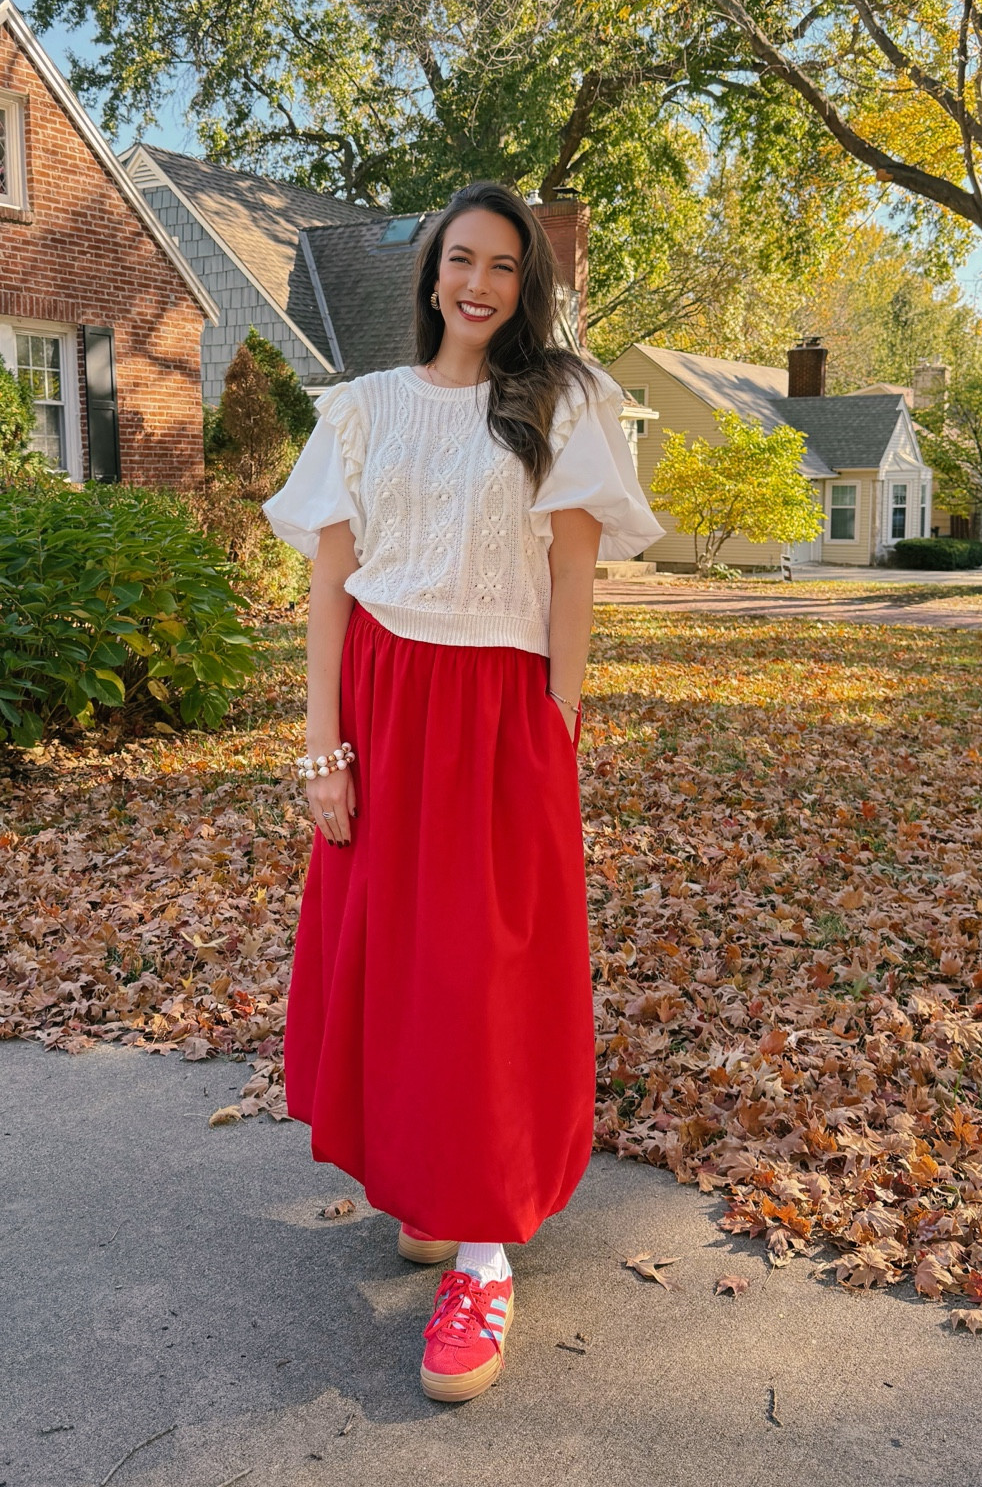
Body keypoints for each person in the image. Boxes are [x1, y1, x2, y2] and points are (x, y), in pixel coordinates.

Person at [263, 180, 661, 1403]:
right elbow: (332, 584)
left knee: (485, 969)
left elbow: (576, 582)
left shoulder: (565, 399)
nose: (479, 283)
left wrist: (557, 726)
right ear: (430, 270)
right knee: (403, 961)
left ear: (526, 285)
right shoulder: (365, 409)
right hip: (384, 703)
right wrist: (323, 748)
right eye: (461, 259)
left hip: (501, 714)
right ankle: (433, 1189)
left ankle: (482, 1250)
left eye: (503, 266)